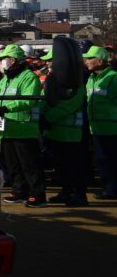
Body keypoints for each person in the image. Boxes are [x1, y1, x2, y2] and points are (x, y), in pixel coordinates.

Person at [0, 44, 46, 208]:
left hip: (24, 128)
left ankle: (38, 195)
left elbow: (29, 99)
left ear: (13, 60)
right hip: (8, 129)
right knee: (13, 165)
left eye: (3, 59)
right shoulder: (7, 78)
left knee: (30, 165)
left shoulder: (28, 76)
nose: (1, 62)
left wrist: (6, 107)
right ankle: (19, 192)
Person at [40, 46, 88, 206]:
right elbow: (45, 100)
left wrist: (48, 117)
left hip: (71, 134)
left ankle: (80, 195)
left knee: (74, 167)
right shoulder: (53, 79)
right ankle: (66, 192)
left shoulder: (77, 81)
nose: (49, 63)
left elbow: (70, 105)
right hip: (54, 132)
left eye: (51, 60)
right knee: (61, 167)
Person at [84, 46, 117, 199]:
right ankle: (109, 189)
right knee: (102, 160)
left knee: (110, 160)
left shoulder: (113, 77)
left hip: (111, 128)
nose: (86, 61)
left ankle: (111, 190)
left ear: (100, 61)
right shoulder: (91, 78)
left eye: (90, 58)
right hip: (96, 128)